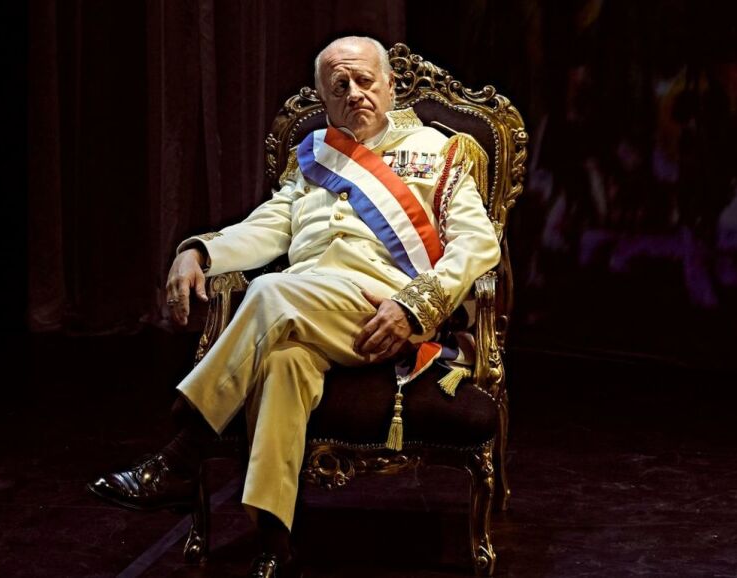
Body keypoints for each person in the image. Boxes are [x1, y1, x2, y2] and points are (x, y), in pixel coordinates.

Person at [88, 35, 500, 577]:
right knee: (283, 364)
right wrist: (200, 251)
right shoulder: (313, 158)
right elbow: (266, 228)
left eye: (365, 80)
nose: (354, 93)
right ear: (323, 98)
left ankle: (185, 450)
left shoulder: (439, 151)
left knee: (267, 292)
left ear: (390, 85)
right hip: (301, 310)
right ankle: (275, 545)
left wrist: (414, 307)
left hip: (381, 311)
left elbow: (478, 245)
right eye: (339, 85)